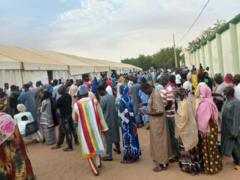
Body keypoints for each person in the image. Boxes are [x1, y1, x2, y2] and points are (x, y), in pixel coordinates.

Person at [74, 85, 109, 176]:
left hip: (84, 130)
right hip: (95, 128)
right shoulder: (95, 101)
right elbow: (100, 116)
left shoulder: (77, 104)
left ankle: (94, 170)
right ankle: (98, 163)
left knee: (87, 149)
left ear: (80, 95)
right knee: (96, 145)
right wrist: (104, 128)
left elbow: (75, 119)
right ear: (87, 93)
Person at [141, 83, 172, 172]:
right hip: (155, 123)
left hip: (158, 123)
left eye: (144, 91)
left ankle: (163, 164)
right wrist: (145, 105)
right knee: (157, 143)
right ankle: (160, 160)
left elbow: (160, 111)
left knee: (160, 143)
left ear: (148, 88)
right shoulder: (152, 94)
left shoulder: (156, 95)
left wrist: (147, 113)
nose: (144, 93)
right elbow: (155, 107)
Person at [195, 83, 222, 174]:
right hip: (213, 129)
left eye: (200, 91)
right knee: (213, 147)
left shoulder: (203, 104)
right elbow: (215, 117)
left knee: (207, 149)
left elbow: (202, 119)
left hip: (206, 130)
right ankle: (216, 166)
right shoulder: (211, 102)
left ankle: (210, 168)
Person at [0, 112, 35, 180]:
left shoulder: (5, 117)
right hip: (14, 149)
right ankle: (29, 175)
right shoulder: (6, 117)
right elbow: (17, 138)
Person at [175, 88, 202, 175]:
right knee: (192, 147)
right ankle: (194, 166)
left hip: (187, 129)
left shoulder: (184, 104)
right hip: (191, 128)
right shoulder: (187, 101)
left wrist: (175, 116)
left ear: (180, 96)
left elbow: (183, 118)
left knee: (187, 147)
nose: (176, 98)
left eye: (176, 96)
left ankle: (189, 167)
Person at [119, 85, 141, 163]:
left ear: (121, 90)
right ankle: (136, 154)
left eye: (119, 90)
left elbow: (121, 114)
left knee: (127, 139)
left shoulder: (121, 100)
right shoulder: (130, 98)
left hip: (126, 123)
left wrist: (124, 122)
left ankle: (129, 157)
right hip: (132, 121)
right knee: (134, 137)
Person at [98, 85, 120, 161]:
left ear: (101, 91)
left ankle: (109, 155)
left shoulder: (103, 99)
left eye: (99, 92)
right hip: (114, 119)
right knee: (116, 134)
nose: (99, 94)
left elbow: (100, 111)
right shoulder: (111, 97)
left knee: (108, 139)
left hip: (107, 121)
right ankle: (118, 148)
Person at [160, 74, 179, 161]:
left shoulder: (169, 89)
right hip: (168, 114)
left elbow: (170, 103)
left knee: (172, 135)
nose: (160, 82)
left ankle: (176, 155)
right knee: (170, 135)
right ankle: (173, 152)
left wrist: (163, 110)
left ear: (165, 80)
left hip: (169, 115)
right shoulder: (166, 88)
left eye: (161, 80)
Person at [221, 86, 240, 171]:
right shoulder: (227, 100)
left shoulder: (236, 103)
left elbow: (236, 118)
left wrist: (234, 132)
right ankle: (236, 160)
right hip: (226, 128)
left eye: (225, 91)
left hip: (232, 129)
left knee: (235, 146)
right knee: (230, 146)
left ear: (229, 93)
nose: (223, 92)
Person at [53, 86, 74, 151]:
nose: (58, 91)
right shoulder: (69, 96)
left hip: (64, 116)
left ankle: (70, 146)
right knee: (68, 129)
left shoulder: (61, 99)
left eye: (59, 90)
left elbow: (55, 106)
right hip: (70, 114)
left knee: (67, 131)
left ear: (62, 90)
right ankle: (60, 143)